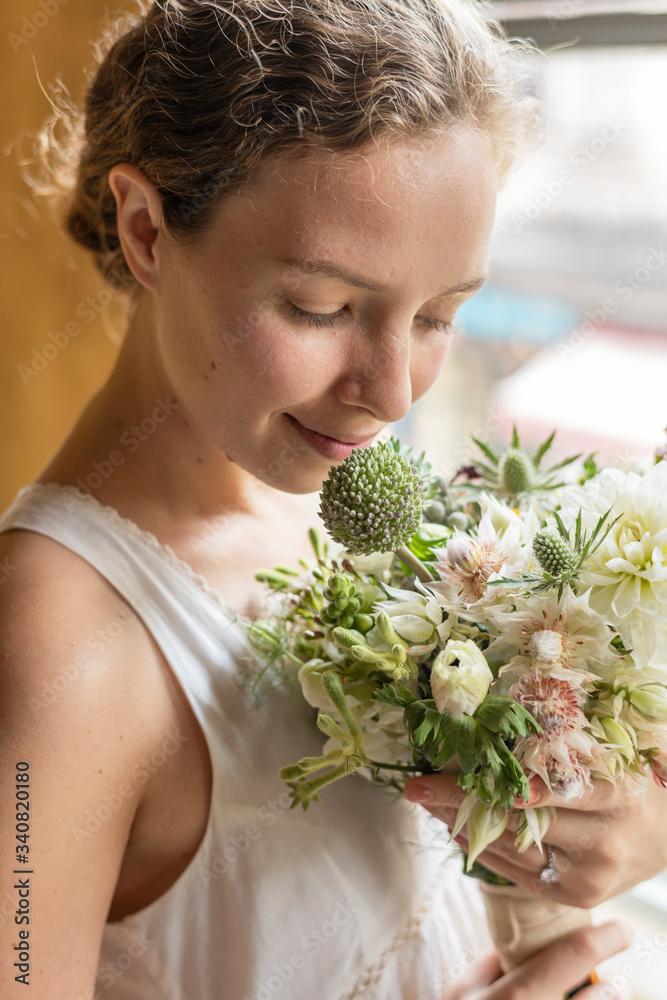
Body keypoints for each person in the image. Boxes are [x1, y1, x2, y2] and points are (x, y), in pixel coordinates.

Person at [0, 0, 660, 996]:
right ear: (146, 229)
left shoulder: (348, 506)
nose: (391, 393)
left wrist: (619, 831)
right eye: (323, 307)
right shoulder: (53, 651)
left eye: (440, 314)